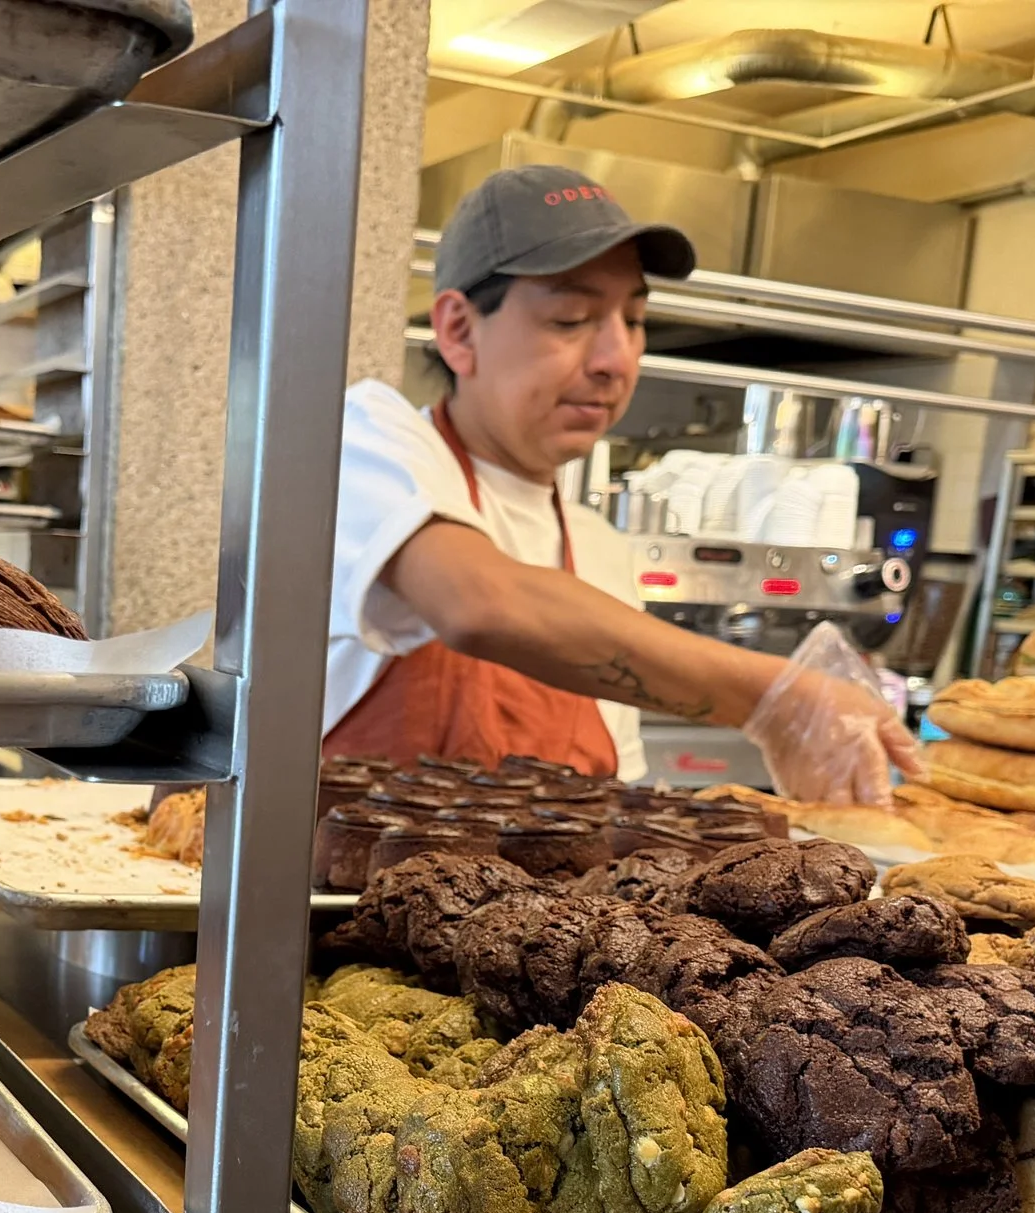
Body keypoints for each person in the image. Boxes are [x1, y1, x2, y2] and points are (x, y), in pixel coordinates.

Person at [325, 165, 921, 802]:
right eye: (571, 318)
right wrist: (773, 695)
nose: (616, 361)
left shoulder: (602, 554)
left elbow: (614, 801)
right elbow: (480, 605)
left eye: (634, 321)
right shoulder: (367, 446)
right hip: (341, 900)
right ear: (459, 331)